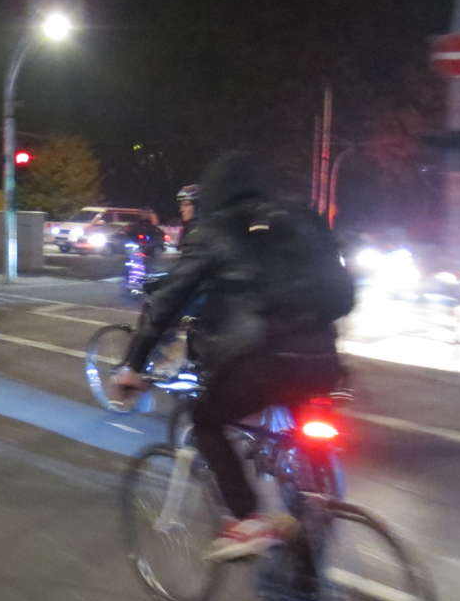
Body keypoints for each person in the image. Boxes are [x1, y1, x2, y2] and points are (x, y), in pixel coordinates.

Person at [112, 152, 354, 561]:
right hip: (321, 360)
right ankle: (306, 585)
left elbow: (166, 302)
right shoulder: (301, 220)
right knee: (304, 477)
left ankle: (247, 519)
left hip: (258, 363)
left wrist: (133, 366)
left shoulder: (214, 230)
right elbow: (343, 293)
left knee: (206, 418)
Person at [175, 183, 200, 249]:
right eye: (181, 205)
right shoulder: (185, 230)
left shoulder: (207, 231)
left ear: (198, 207)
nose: (181, 210)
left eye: (186, 205)